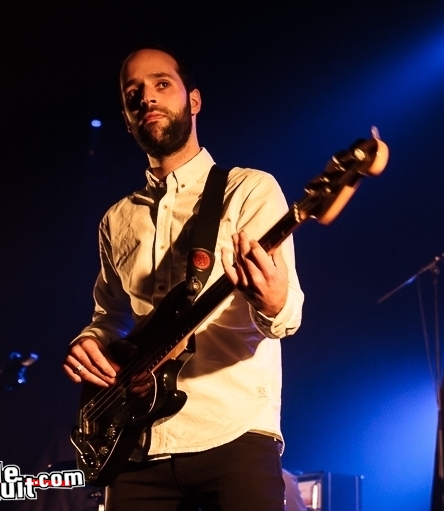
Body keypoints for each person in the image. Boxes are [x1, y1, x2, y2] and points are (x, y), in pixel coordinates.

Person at [62, 46, 304, 511]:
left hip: (231, 435)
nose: (146, 98)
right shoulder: (116, 219)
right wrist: (89, 342)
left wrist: (273, 300)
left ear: (193, 101)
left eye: (161, 84)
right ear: (127, 118)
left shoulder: (248, 189)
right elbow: (110, 318)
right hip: (135, 447)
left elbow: (285, 315)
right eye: (134, 93)